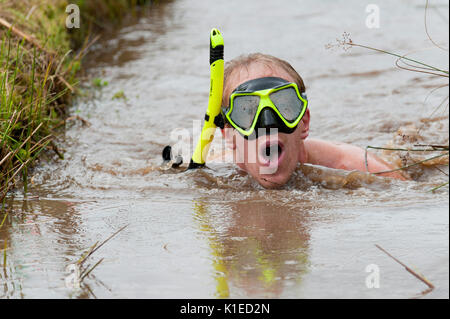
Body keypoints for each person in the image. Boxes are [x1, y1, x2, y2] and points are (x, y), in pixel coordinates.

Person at [216, 53, 405, 189]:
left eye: (283, 106)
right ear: (230, 136)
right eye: (247, 111)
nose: (268, 122)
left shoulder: (360, 169)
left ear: (304, 122)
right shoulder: (213, 169)